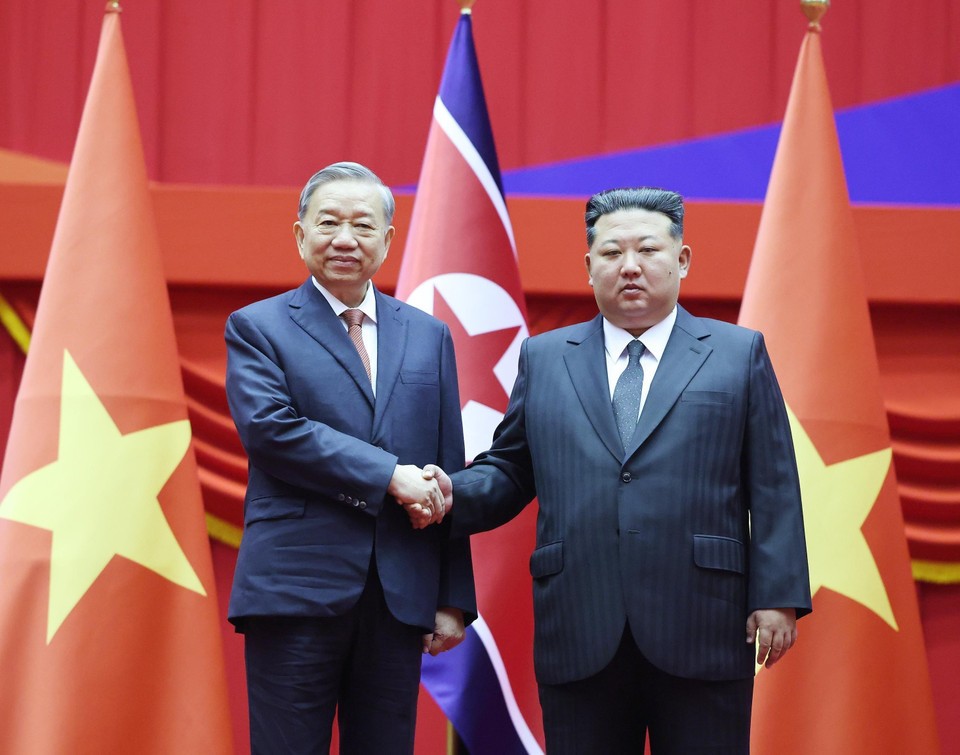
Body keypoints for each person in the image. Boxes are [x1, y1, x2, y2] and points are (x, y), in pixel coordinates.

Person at [428, 187, 811, 753]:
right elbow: (511, 471)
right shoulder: (545, 357)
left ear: (682, 260)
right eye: (610, 254)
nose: (629, 267)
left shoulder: (737, 353)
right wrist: (445, 493)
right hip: (580, 622)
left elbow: (773, 482)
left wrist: (778, 595)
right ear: (588, 268)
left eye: (648, 250)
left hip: (703, 620)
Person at [224, 162, 476, 754]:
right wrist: (388, 475)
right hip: (295, 590)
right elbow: (270, 430)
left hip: (398, 594)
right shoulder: (258, 327)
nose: (344, 238)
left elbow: (446, 465)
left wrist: (451, 596)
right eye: (328, 222)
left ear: (388, 240)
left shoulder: (428, 334)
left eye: (363, 225)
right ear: (300, 234)